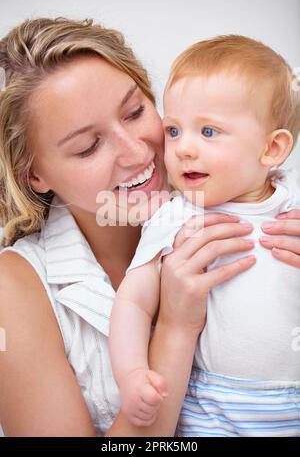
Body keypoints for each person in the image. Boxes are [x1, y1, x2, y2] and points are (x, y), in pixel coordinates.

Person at [110, 35, 300, 437]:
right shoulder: (175, 217)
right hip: (213, 408)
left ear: (272, 148)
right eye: (174, 130)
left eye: (209, 132)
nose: (184, 149)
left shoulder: (291, 211)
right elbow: (134, 301)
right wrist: (131, 374)